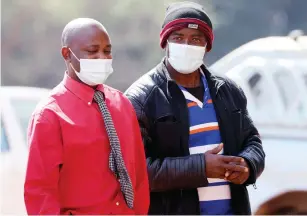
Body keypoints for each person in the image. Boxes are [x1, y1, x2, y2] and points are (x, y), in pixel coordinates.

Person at [125, 2, 265, 215]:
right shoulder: (142, 98)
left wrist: (247, 165)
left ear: (207, 46)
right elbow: (134, 172)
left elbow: (253, 141)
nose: (187, 45)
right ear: (165, 43)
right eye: (178, 38)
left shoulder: (228, 90)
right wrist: (201, 168)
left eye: (196, 39)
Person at [24, 18, 149, 215]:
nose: (102, 57)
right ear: (67, 54)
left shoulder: (122, 104)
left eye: (107, 51)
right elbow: (40, 192)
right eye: (92, 52)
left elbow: (139, 177)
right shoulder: (50, 115)